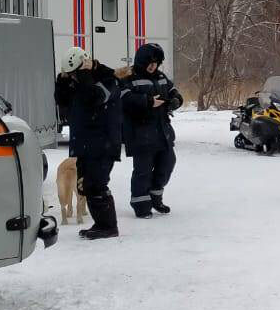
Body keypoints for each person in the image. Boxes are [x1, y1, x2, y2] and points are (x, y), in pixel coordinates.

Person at [54, 46, 122, 240]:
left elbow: (95, 97)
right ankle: (101, 223)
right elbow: (64, 104)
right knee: (86, 186)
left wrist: (85, 77)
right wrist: (62, 84)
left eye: (75, 74)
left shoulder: (107, 81)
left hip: (103, 143)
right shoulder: (80, 85)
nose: (73, 79)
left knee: (97, 184)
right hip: (85, 143)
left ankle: (108, 226)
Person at [121, 43, 183, 218]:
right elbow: (124, 99)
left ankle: (156, 197)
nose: (153, 66)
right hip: (140, 134)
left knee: (168, 163)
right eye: (150, 62)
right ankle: (141, 205)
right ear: (142, 61)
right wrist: (147, 101)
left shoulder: (161, 77)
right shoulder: (130, 79)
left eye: (156, 62)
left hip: (162, 132)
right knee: (143, 171)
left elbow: (174, 92)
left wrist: (176, 100)